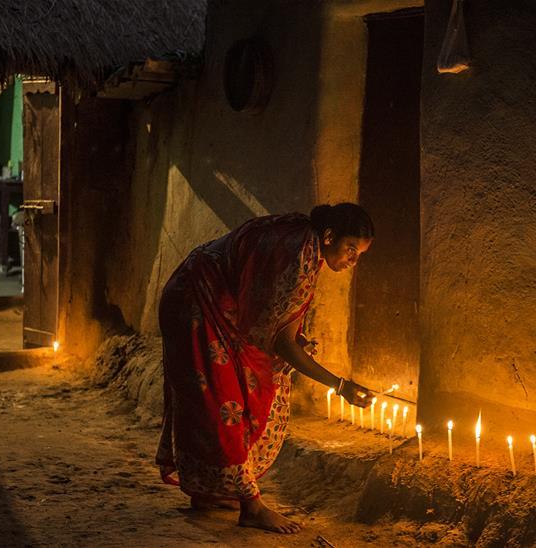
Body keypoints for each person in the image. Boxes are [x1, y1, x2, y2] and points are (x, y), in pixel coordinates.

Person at [155, 203, 375, 534]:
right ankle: (251, 506)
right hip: (196, 302)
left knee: (217, 399)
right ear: (330, 236)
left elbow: (274, 317)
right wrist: (339, 385)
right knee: (225, 401)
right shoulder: (298, 252)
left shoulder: (307, 244)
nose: (352, 261)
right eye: (351, 250)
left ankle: (209, 492)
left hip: (208, 302)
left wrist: (294, 341)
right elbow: (280, 342)